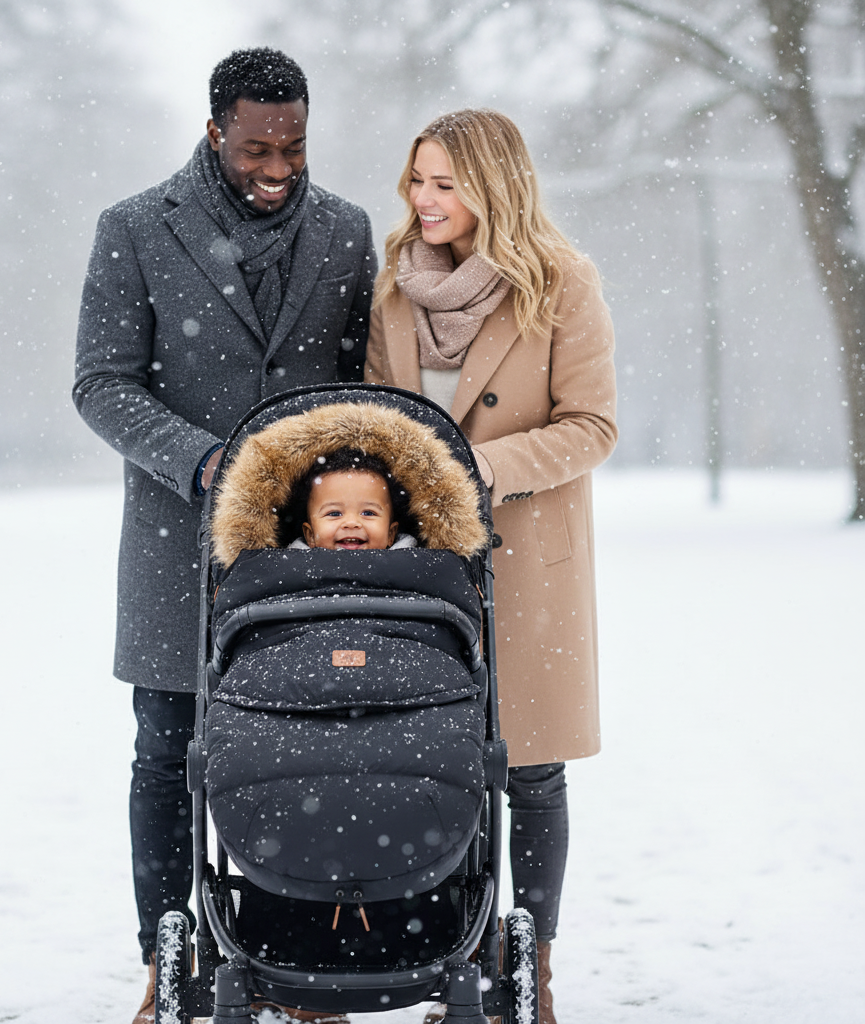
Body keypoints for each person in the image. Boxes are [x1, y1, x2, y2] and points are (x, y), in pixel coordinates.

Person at [72, 47, 377, 1024]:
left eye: (292, 145)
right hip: (176, 548)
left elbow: (359, 380)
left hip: (301, 558)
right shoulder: (132, 228)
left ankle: (297, 962)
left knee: (305, 751)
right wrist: (206, 461)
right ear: (215, 132)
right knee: (167, 752)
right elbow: (101, 382)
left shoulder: (346, 229)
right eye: (255, 148)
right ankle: (168, 957)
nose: (277, 168)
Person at [365, 108, 618, 1024]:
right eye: (417, 181)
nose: (424, 201)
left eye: (445, 184)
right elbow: (372, 416)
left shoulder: (562, 283)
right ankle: (457, 967)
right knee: (438, 766)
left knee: (531, 771)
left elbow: (593, 425)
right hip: (420, 570)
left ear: (493, 188)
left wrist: (478, 469)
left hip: (524, 563)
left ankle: (533, 972)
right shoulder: (391, 288)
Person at [293, 448, 411, 550]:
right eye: (334, 513)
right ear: (311, 535)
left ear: (390, 535)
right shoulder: (292, 571)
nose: (351, 523)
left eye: (368, 513)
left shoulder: (414, 570)